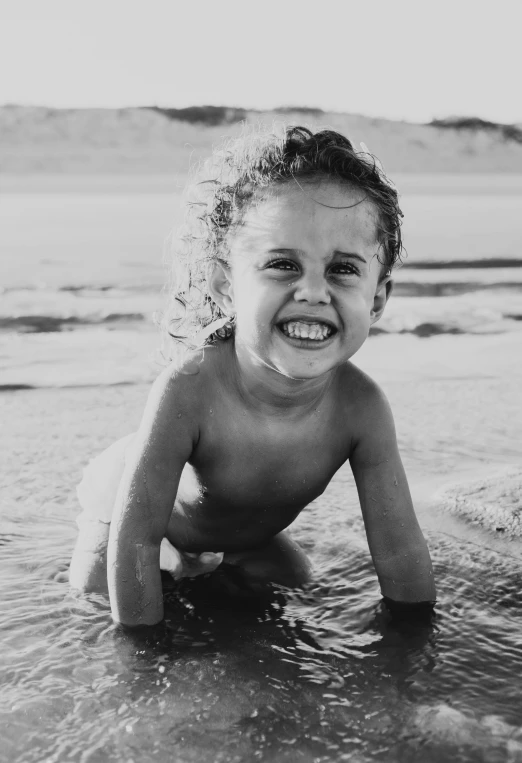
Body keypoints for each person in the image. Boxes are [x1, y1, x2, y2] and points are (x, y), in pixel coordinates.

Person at [69, 126, 436, 627]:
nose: (313, 292)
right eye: (283, 264)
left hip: (243, 538)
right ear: (226, 287)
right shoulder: (191, 387)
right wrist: (141, 656)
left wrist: (418, 647)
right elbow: (135, 537)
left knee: (302, 589)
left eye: (343, 269)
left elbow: (399, 549)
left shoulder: (361, 408)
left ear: (376, 299)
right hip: (132, 516)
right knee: (94, 609)